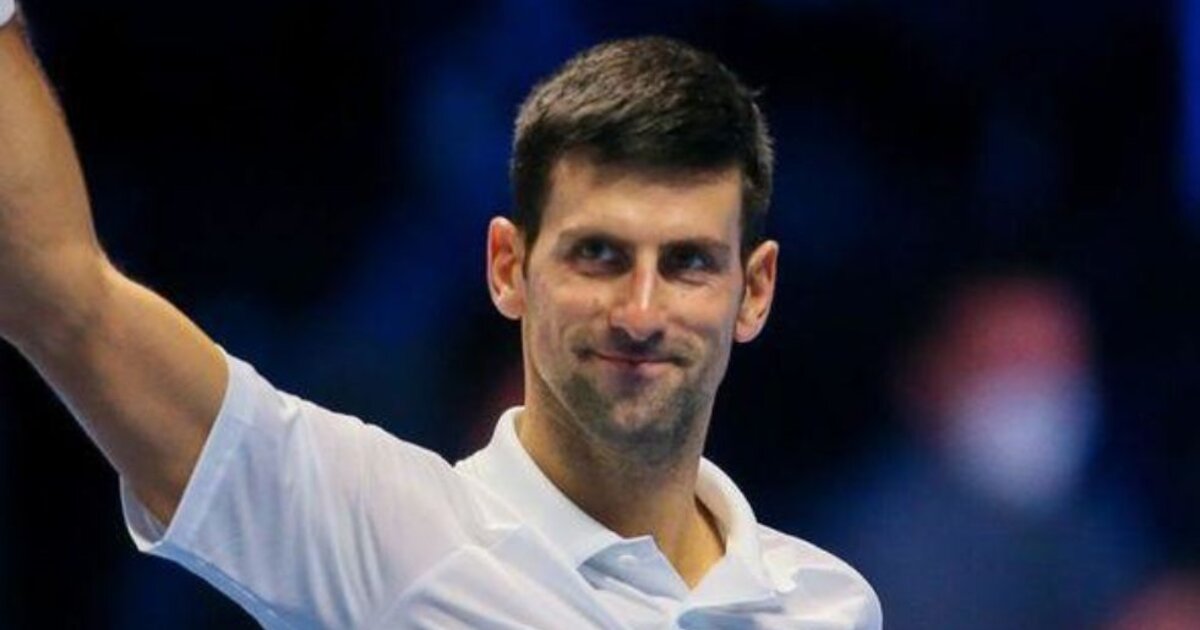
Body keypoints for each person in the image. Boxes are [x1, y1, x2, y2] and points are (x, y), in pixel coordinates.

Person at [0, 2, 880, 627]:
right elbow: (62, 295)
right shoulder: (387, 533)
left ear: (753, 290)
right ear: (509, 268)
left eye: (686, 263)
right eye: (598, 255)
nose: (641, 312)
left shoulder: (830, 603)